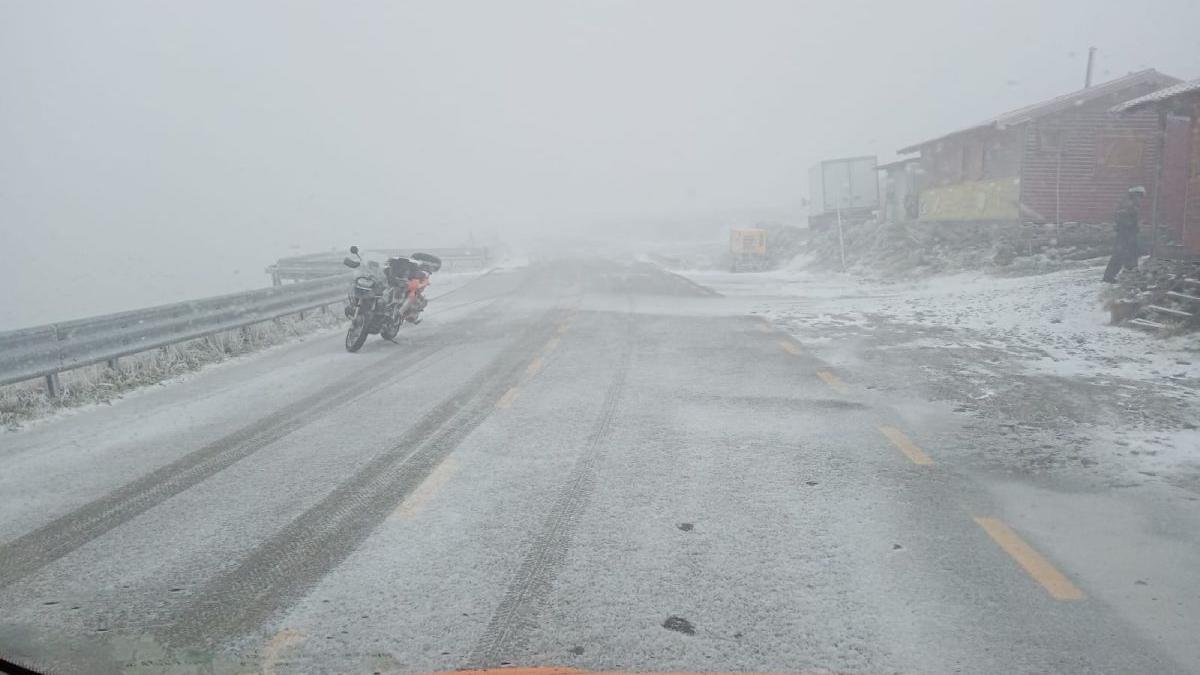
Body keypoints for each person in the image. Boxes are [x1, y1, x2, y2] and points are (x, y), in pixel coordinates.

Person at [1103, 186, 1146, 283]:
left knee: (1132, 253)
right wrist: (1129, 225)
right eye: (1139, 196)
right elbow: (1122, 217)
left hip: (1129, 233)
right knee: (1120, 254)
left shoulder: (1132, 204)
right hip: (1125, 233)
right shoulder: (1128, 204)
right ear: (1135, 195)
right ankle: (1109, 277)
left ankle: (1131, 275)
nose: (1140, 199)